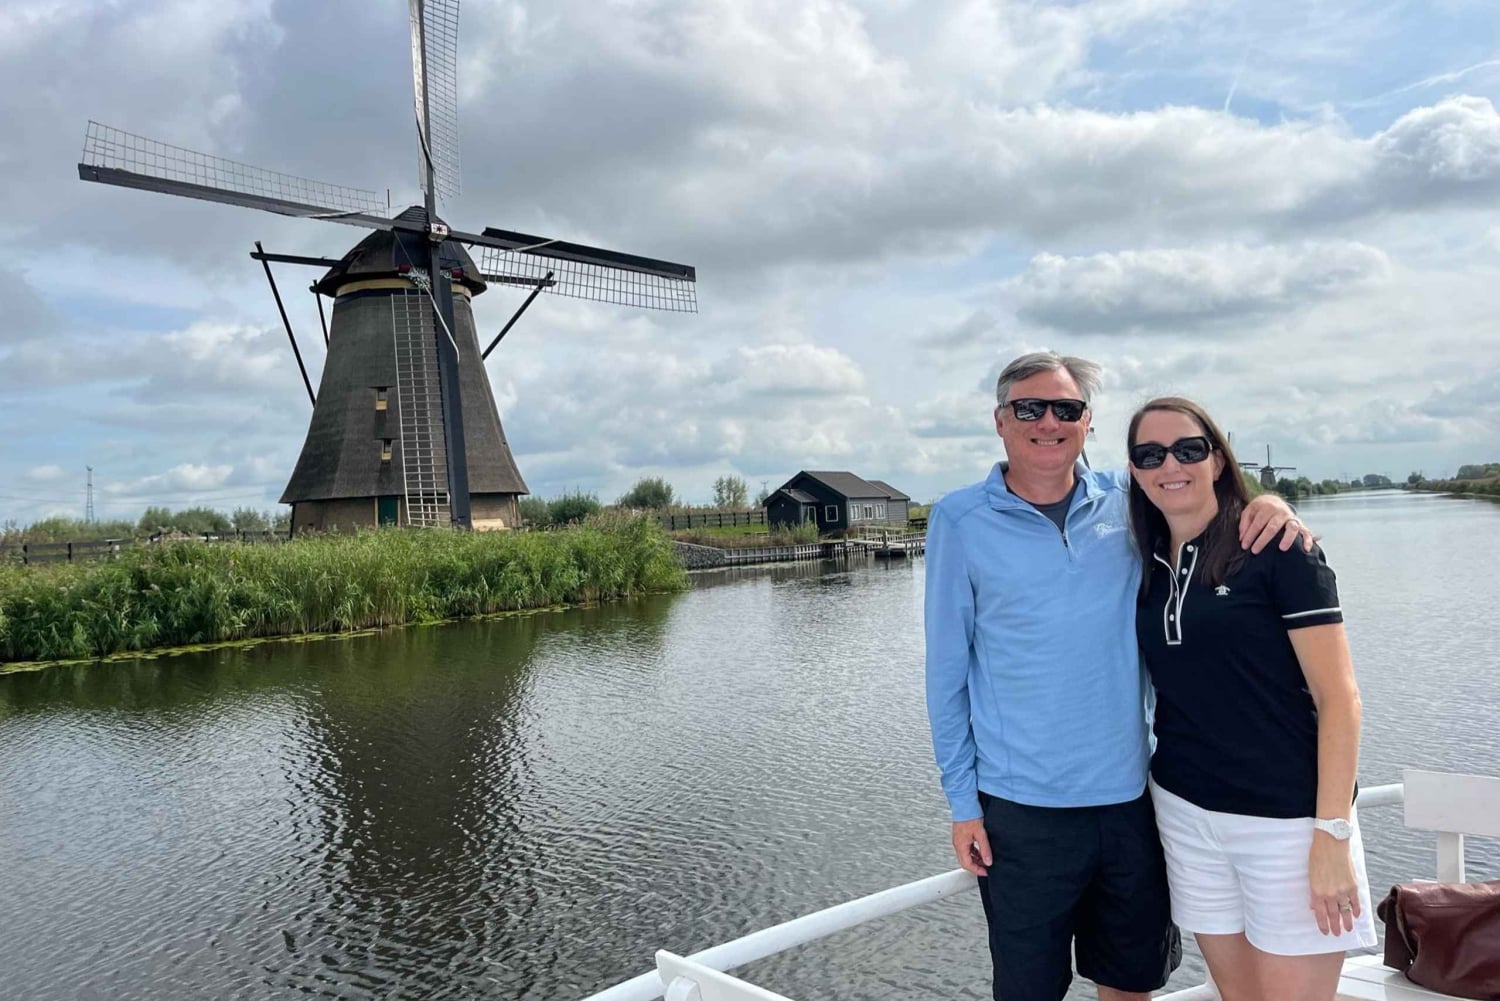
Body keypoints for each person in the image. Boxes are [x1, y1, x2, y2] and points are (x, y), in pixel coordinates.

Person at [924, 352, 1312, 1001]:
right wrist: (963, 805)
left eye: (1066, 408)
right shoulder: (959, 522)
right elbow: (946, 676)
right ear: (1000, 420)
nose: (1049, 422)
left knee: (1131, 983)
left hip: (1133, 801)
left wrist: (1271, 504)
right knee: (1028, 990)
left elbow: (1205, 511)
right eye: (1030, 408)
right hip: (1023, 812)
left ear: (1087, 422)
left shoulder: (1129, 502)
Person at [1125, 397, 1376, 1001]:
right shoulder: (1146, 563)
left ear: (1217, 460)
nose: (1170, 465)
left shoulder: (1279, 550)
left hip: (1287, 823)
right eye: (1150, 454)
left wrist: (1332, 834)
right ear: (1133, 470)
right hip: (1186, 814)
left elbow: (1339, 698)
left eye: (1188, 449)